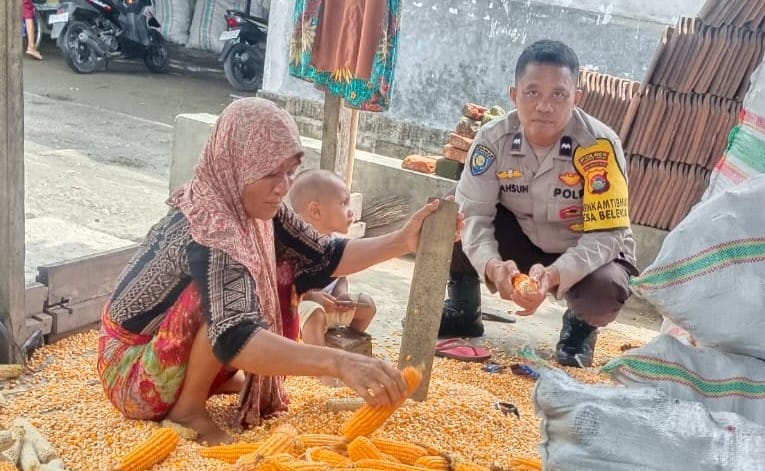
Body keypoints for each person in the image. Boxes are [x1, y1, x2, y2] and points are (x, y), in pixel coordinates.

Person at [98, 98, 459, 445]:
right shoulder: (209, 225)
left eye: (289, 171)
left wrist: (402, 241)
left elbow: (324, 256)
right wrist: (340, 363)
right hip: (130, 372)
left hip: (164, 354)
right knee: (223, 296)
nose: (284, 187)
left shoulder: (258, 209)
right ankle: (188, 410)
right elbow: (234, 335)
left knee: (283, 265)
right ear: (236, 164)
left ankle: (210, 378)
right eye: (270, 174)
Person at [439, 39, 637, 368]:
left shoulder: (601, 144)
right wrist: (492, 265)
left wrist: (557, 273)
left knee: (606, 290)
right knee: (451, 215)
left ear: (577, 98)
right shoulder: (492, 139)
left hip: (580, 247)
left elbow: (607, 235)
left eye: (558, 94)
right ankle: (463, 307)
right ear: (514, 95)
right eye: (532, 93)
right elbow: (474, 213)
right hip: (522, 238)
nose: (544, 106)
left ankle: (580, 327)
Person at [277, 169, 376, 352]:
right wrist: (312, 296)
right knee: (314, 314)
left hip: (332, 308)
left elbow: (342, 277)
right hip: (303, 311)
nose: (350, 212)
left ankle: (344, 345)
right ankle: (319, 364)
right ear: (315, 211)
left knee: (368, 306)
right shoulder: (295, 246)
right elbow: (287, 289)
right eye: (344, 204)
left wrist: (341, 296)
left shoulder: (336, 242)